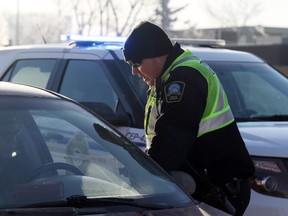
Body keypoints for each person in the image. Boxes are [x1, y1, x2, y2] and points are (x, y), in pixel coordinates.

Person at [122, 20, 255, 216]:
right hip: (204, 187)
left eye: (136, 63)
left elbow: (171, 139)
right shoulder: (169, 77)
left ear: (155, 55)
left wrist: (146, 177)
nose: (134, 71)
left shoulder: (183, 78)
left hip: (217, 191)